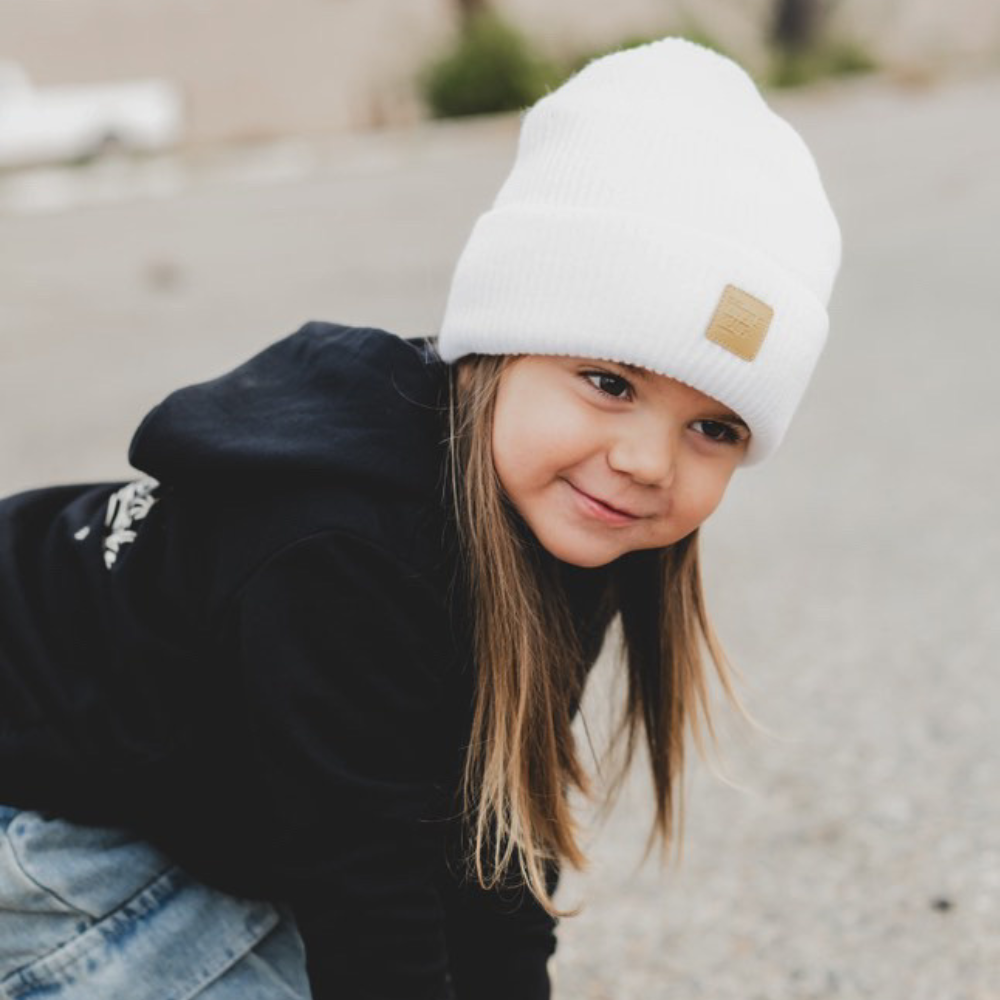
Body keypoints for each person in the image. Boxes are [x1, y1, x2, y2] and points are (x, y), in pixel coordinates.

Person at [0, 37, 841, 1000]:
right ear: (505, 340)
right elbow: (365, 881)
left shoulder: (572, 507)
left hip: (195, 785)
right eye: (608, 382)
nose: (650, 461)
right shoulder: (350, 547)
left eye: (714, 428)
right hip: (31, 812)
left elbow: (487, 831)